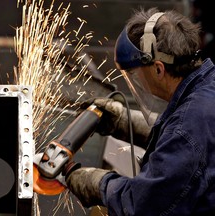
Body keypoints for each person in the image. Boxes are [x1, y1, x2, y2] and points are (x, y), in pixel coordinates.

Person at [64, 7, 215, 216]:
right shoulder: (207, 84)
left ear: (159, 69)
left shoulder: (188, 127)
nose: (136, 81)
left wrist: (97, 184)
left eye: (135, 74)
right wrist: (125, 121)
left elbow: (144, 205)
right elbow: (196, 144)